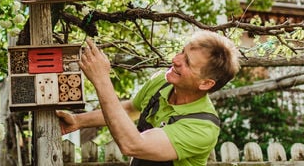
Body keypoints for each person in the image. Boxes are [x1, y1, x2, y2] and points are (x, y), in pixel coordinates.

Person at [56, 30, 240, 166]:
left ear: (206, 84)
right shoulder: (162, 81)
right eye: (182, 52)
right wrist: (78, 121)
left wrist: (102, 80)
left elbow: (133, 145)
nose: (176, 59)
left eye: (187, 62)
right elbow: (129, 110)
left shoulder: (202, 127)